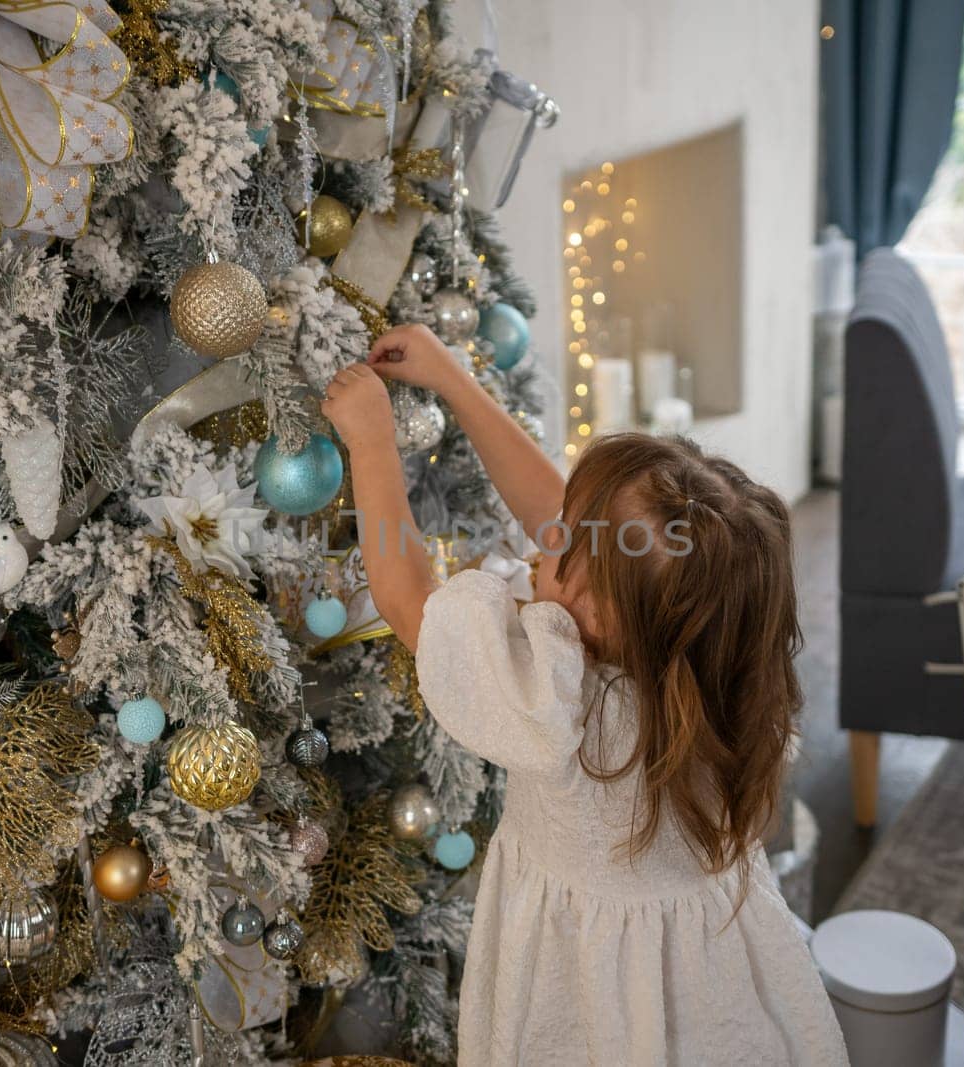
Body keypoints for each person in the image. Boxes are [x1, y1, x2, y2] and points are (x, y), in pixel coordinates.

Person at [321, 324, 848, 1066]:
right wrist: (456, 383)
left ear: (603, 614)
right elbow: (578, 528)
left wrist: (372, 443)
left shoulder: (558, 703)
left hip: (592, 999)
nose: (545, 538)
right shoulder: (721, 672)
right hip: (712, 982)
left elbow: (411, 601)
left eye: (563, 541)